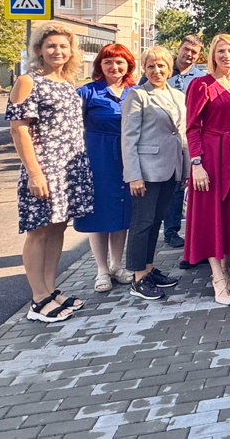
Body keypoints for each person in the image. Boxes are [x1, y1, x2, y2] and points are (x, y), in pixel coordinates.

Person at [6, 22, 94, 323]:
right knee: (39, 231)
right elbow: (19, 130)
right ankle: (38, 299)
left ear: (72, 51)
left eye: (63, 46)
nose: (57, 51)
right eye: (51, 46)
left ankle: (50, 289)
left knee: (58, 227)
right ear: (39, 50)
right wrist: (35, 174)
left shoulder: (67, 82)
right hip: (45, 167)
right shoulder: (28, 81)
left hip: (69, 168)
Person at [184, 34, 230, 306]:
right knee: (212, 215)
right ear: (212, 55)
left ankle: (226, 272)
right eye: (221, 51)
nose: (227, 56)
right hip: (211, 155)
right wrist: (197, 164)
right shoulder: (201, 85)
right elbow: (192, 127)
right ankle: (216, 277)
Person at [122, 46, 187, 301]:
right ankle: (138, 277)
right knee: (142, 223)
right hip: (146, 171)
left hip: (171, 169)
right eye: (151, 66)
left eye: (161, 66)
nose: (156, 70)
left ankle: (148, 269)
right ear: (144, 69)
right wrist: (133, 175)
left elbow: (181, 135)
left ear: (170, 69)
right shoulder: (137, 95)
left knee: (156, 222)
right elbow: (128, 138)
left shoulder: (177, 95)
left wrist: (185, 169)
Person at [74, 43, 138, 293]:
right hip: (97, 157)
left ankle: (116, 265)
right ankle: (101, 269)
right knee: (98, 213)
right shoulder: (88, 92)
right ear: (100, 65)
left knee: (122, 211)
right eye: (108, 62)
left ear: (128, 65)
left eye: (120, 62)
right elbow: (71, 127)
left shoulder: (135, 91)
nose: (114, 67)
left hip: (127, 157)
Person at [163, 35, 205, 250]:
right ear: (179, 48)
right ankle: (170, 230)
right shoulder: (162, 71)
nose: (189, 54)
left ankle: (194, 233)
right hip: (165, 136)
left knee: (187, 184)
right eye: (186, 49)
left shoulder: (202, 78)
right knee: (171, 186)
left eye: (194, 52)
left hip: (191, 137)